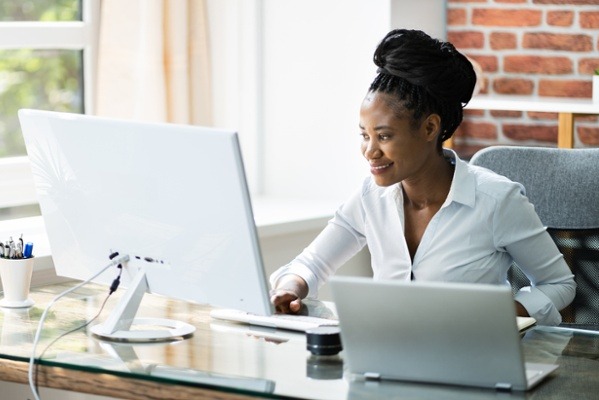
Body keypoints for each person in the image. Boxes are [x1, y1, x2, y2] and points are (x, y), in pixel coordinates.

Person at [268, 29, 576, 326]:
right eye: (364, 136)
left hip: (471, 362)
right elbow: (311, 264)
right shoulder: (369, 198)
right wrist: (291, 288)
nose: (369, 152)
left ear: (429, 129)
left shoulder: (496, 200)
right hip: (388, 358)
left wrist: (501, 314)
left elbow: (559, 283)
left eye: (384, 136)